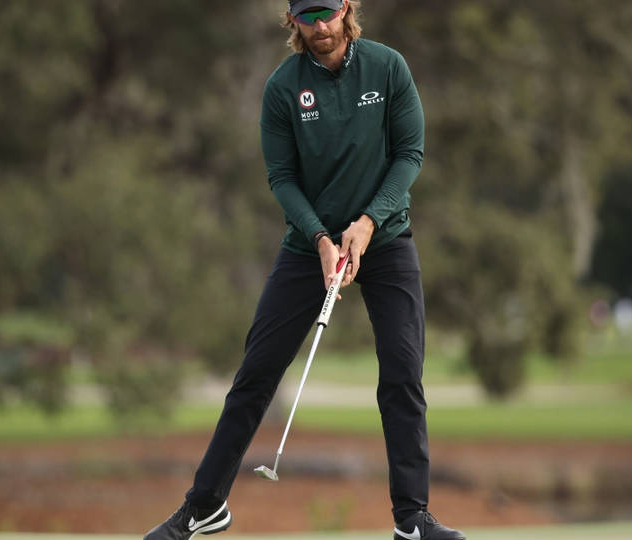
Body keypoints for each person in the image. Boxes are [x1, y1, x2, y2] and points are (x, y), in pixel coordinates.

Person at [144, 1, 464, 539]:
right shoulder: (282, 88)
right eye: (307, 16)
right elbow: (282, 177)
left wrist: (367, 222)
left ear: (347, 9)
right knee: (254, 376)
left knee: (403, 375)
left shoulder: (388, 68)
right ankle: (204, 506)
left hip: (385, 241)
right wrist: (319, 238)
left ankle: (412, 520)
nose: (320, 27)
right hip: (306, 246)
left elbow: (409, 152)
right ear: (292, 20)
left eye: (328, 13)